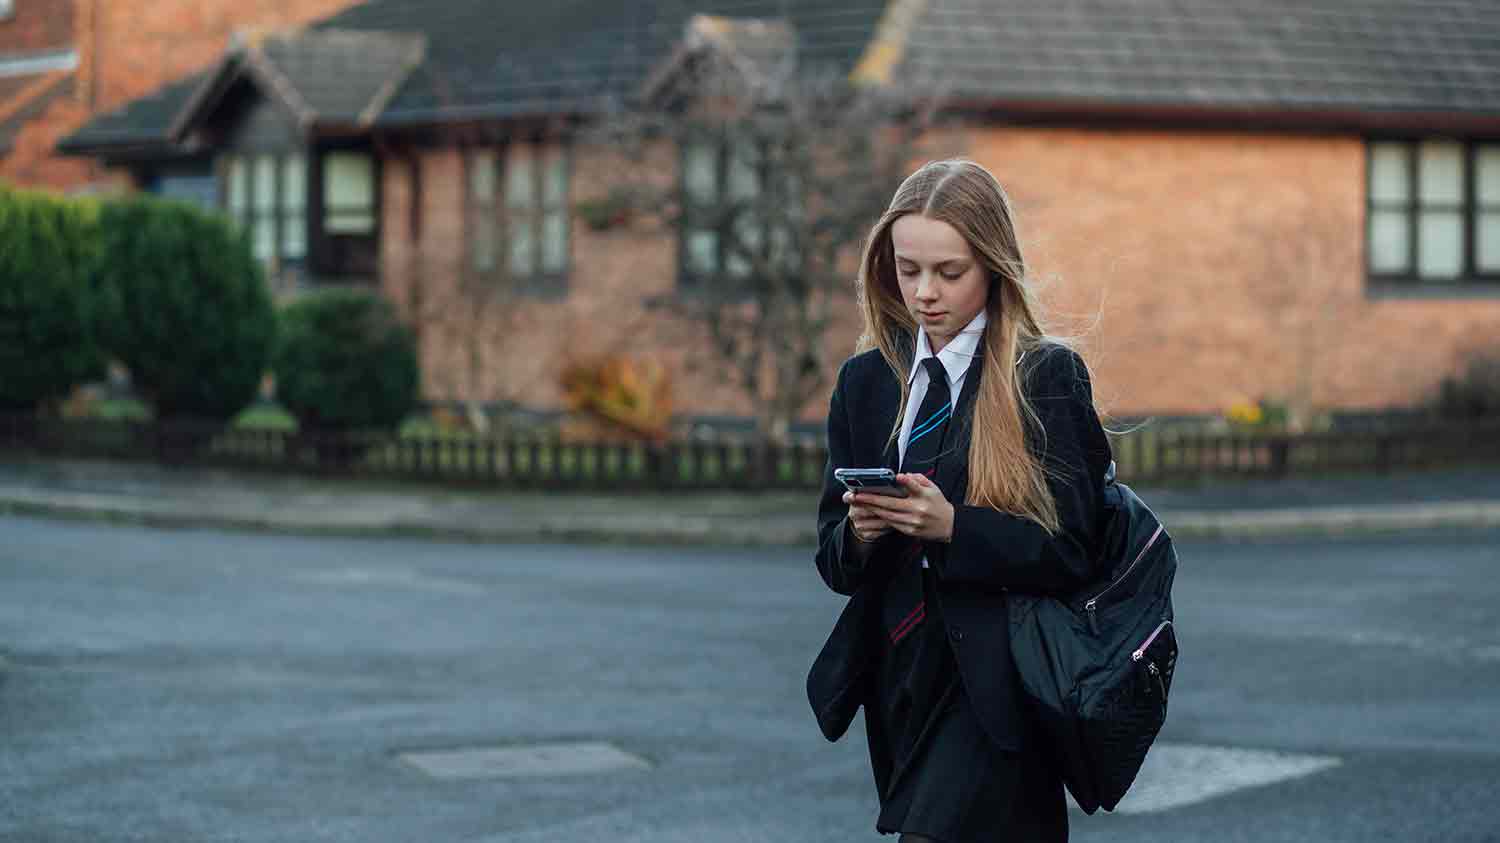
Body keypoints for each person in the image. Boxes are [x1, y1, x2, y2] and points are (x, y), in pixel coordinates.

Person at [807, 158, 1114, 842]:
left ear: (995, 267)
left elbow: (1076, 551)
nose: (924, 292)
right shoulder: (866, 382)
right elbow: (833, 562)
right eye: (907, 268)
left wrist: (954, 527)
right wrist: (860, 531)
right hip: (899, 677)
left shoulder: (1043, 376)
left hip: (999, 683)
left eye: (950, 272)